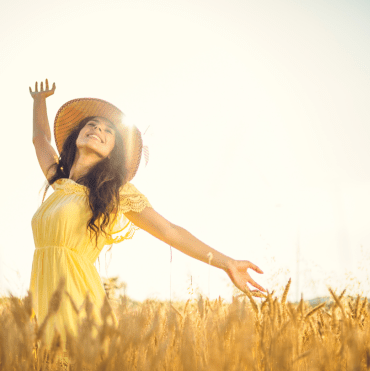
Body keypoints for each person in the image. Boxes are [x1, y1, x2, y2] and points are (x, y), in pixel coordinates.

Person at [29, 78, 266, 345]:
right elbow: (40, 140)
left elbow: (170, 231)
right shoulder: (60, 183)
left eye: (108, 130)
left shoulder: (114, 193)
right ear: (77, 136)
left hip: (79, 301)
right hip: (44, 299)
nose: (97, 129)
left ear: (112, 152)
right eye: (92, 124)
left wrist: (227, 263)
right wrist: (39, 101)